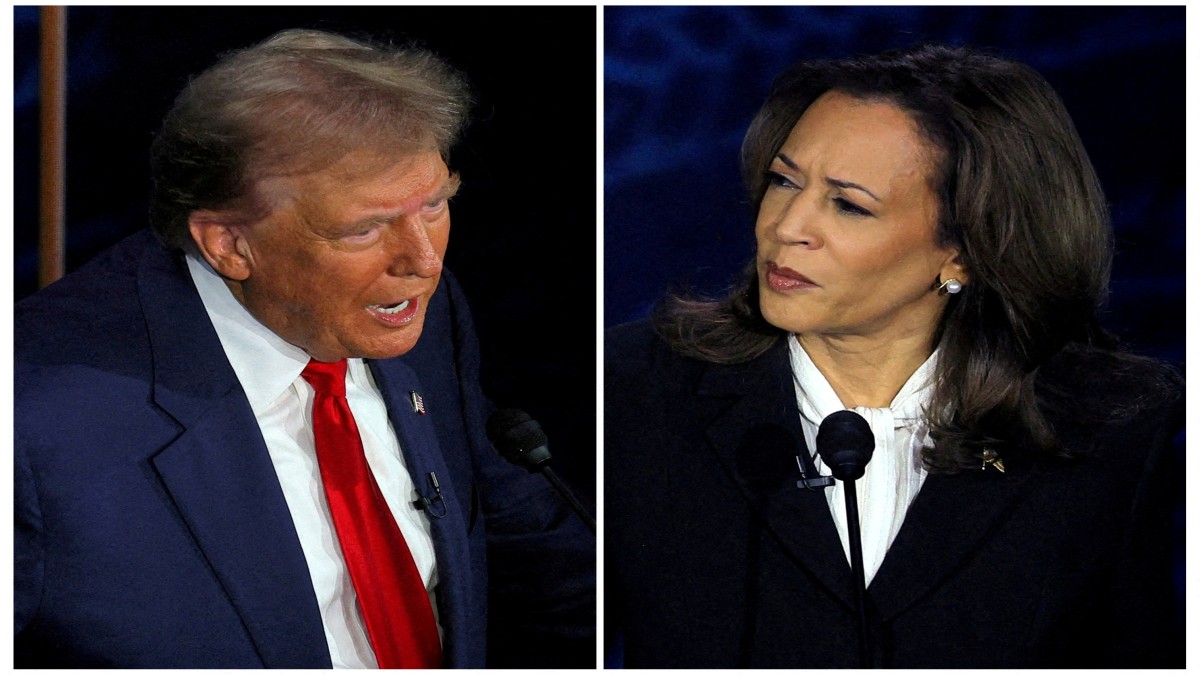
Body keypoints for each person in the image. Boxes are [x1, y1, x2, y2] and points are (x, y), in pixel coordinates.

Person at [15, 29, 594, 668]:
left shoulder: (415, 315)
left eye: (434, 205)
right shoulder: (36, 425)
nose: (422, 262)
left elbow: (540, 572)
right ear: (230, 245)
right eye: (365, 228)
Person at [605, 43, 1182, 668]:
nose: (788, 225)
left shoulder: (1107, 423)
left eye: (849, 204)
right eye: (783, 180)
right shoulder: (634, 391)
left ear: (965, 248)